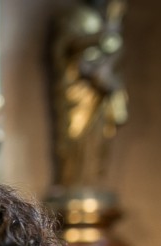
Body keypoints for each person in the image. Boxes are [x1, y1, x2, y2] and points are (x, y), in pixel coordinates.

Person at [51, 0, 129, 188]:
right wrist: (102, 35)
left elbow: (113, 50)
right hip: (77, 90)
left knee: (96, 141)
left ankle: (90, 182)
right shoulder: (75, 15)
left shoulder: (105, 19)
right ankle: (72, 183)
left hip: (98, 91)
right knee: (74, 138)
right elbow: (67, 46)